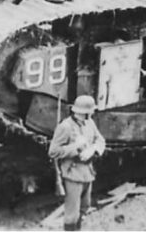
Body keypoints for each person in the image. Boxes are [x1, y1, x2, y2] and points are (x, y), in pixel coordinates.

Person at [48, 95, 105, 231]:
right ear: (83, 112)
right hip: (73, 174)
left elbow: (100, 140)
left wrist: (93, 149)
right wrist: (76, 147)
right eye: (90, 111)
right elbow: (53, 151)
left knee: (84, 208)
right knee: (71, 215)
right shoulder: (65, 127)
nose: (92, 113)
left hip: (87, 172)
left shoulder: (89, 123)